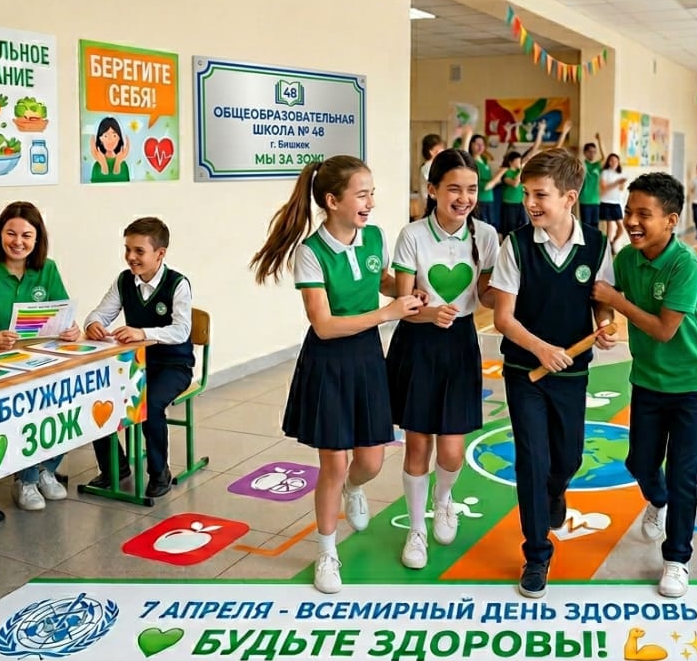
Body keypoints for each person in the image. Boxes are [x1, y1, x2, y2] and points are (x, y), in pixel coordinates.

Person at [249, 156, 422, 593]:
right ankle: (327, 553)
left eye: (372, 193)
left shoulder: (374, 237)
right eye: (362, 195)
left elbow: (381, 280)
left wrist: (407, 290)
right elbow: (324, 325)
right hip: (328, 361)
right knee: (334, 463)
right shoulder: (310, 253)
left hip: (368, 358)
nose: (371, 202)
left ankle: (353, 489)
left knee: (371, 461)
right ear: (332, 200)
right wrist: (387, 313)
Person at [490, 147, 616, 599]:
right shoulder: (515, 245)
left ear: (569, 197)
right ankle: (537, 553)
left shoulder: (597, 245)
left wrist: (604, 325)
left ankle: (556, 490)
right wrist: (541, 349)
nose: (530, 203)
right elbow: (503, 318)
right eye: (526, 193)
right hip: (524, 371)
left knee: (568, 458)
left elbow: (601, 301)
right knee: (532, 460)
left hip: (572, 374)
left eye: (540, 194)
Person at [591, 172, 697, 598]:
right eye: (629, 212)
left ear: (671, 220)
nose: (632, 221)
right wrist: (604, 320)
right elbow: (603, 298)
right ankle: (657, 500)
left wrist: (617, 303)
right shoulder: (627, 259)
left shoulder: (685, 264)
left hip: (693, 383)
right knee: (640, 464)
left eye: (644, 214)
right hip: (647, 380)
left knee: (684, 473)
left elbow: (664, 330)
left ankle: (677, 558)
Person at [388, 149, 500, 570]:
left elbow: (486, 297)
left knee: (452, 451)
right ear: (432, 189)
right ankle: (416, 529)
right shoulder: (412, 235)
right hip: (417, 343)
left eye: (471, 189)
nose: (464, 198)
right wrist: (428, 311)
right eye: (454, 188)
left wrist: (513, 290)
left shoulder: (485, 235)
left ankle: (444, 498)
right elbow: (403, 303)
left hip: (460, 344)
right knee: (418, 443)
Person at [0, 201, 81, 512]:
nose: (18, 242)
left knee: (72, 398)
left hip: (43, 359)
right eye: (10, 233)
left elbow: (63, 317)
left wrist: (71, 330)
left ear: (37, 239)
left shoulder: (47, 269)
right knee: (24, 406)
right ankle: (26, 479)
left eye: (26, 235)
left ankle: (46, 469)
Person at [84, 217, 194, 498]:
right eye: (127, 249)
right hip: (135, 364)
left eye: (139, 251)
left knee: (150, 404)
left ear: (160, 253)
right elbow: (100, 313)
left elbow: (181, 330)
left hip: (174, 365)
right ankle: (115, 468)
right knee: (95, 396)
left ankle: (159, 472)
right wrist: (93, 324)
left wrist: (142, 333)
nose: (131, 257)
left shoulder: (177, 284)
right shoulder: (124, 281)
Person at [599, 153, 628, 249]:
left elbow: (621, 189)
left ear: (618, 162)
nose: (613, 162)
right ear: (608, 162)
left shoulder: (621, 174)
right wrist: (616, 183)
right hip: (606, 202)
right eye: (611, 160)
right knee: (610, 227)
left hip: (616, 203)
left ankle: (611, 243)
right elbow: (604, 188)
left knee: (621, 228)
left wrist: (621, 183)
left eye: (615, 161)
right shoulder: (605, 172)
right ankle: (608, 247)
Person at [580, 133, 604, 229]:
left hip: (596, 201)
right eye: (589, 151)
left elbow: (604, 158)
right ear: (585, 153)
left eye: (594, 152)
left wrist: (599, 141)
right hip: (585, 200)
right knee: (586, 226)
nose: (592, 154)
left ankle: (594, 240)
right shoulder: (582, 164)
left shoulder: (597, 165)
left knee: (595, 226)